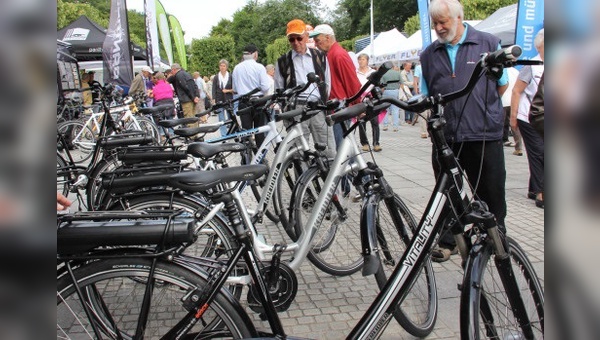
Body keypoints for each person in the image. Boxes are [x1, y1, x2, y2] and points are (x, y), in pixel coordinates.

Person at [420, 0, 509, 262]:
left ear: (459, 18)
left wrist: (483, 107)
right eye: (435, 23)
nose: (438, 27)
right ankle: (450, 240)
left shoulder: (488, 43)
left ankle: (495, 238)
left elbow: (501, 85)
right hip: (446, 135)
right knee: (448, 191)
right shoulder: (428, 54)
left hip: (482, 132)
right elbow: (427, 92)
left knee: (490, 190)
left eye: (443, 22)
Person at [274, 19, 336, 158]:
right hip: (295, 109)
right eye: (292, 39)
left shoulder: (320, 56)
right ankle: (303, 180)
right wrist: (286, 110)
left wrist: (323, 104)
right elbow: (279, 88)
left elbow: (327, 82)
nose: (296, 42)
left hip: (317, 107)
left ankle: (330, 178)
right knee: (298, 153)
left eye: (299, 38)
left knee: (328, 149)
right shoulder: (283, 61)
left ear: (306, 37)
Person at [310, 24, 362, 150]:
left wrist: (358, 105)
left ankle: (352, 169)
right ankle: (350, 168)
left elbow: (352, 82)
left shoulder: (338, 54)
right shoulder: (331, 54)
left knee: (342, 147)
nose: (316, 44)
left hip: (341, 107)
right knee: (342, 146)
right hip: (337, 107)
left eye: (318, 40)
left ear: (328, 38)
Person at [510, 29, 545, 209]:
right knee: (539, 152)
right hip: (528, 116)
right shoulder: (532, 65)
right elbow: (516, 90)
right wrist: (513, 118)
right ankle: (541, 193)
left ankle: (533, 187)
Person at [232, 44, 271, 148]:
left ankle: (247, 157)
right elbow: (265, 87)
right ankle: (261, 158)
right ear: (255, 54)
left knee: (246, 132)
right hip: (258, 101)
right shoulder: (259, 67)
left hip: (243, 102)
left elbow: (235, 89)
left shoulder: (236, 68)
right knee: (260, 131)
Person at [355, 53, 381, 152]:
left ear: (367, 61)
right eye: (360, 59)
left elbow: (379, 85)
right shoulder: (355, 72)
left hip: (371, 99)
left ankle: (376, 143)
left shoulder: (373, 72)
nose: (361, 61)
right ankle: (364, 143)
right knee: (362, 121)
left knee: (375, 121)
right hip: (360, 99)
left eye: (363, 59)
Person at [212, 60, 234, 136]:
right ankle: (223, 135)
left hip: (229, 99)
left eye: (224, 66)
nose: (222, 67)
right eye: (221, 66)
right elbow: (214, 88)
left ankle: (231, 133)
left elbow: (234, 89)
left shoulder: (230, 76)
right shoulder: (216, 77)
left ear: (227, 67)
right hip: (219, 99)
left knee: (230, 117)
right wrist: (213, 99)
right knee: (221, 118)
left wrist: (227, 90)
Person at [151, 71, 176, 137]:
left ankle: (162, 134)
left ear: (157, 79)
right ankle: (171, 133)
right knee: (170, 118)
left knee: (161, 119)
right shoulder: (168, 85)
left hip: (160, 103)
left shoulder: (156, 87)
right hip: (170, 102)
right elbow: (172, 93)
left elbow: (154, 95)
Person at [381, 65, 402, 131]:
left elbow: (381, 85)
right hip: (395, 91)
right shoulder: (397, 73)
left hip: (386, 91)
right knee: (395, 109)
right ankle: (395, 126)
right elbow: (401, 83)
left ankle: (385, 125)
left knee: (385, 109)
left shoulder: (384, 74)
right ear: (393, 67)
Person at [413, 62, 429, 139]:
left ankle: (429, 130)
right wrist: (416, 92)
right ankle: (423, 132)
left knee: (430, 113)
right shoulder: (419, 67)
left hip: (432, 92)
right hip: (422, 93)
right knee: (423, 113)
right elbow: (415, 81)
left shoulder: (432, 65)